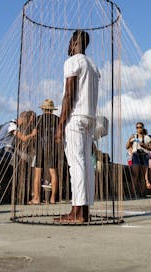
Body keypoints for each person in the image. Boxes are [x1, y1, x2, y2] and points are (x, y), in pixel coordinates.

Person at [55, 30, 100, 224]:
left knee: (76, 164)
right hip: (90, 118)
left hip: (75, 117)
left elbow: (69, 95)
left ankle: (77, 213)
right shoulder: (93, 65)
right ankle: (85, 210)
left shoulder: (73, 61)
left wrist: (60, 124)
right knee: (87, 165)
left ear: (74, 41)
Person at [18, 99, 60, 204]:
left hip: (39, 146)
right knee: (53, 173)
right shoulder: (58, 120)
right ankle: (53, 199)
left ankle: (36, 198)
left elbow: (34, 132)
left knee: (37, 173)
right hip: (52, 147)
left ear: (43, 109)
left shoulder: (38, 119)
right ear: (52, 109)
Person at [126, 122, 151, 198]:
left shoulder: (147, 137)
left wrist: (143, 145)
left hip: (144, 155)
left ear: (143, 127)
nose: (139, 129)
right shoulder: (134, 136)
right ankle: (132, 193)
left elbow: (150, 148)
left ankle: (142, 193)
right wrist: (129, 140)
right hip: (136, 155)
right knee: (135, 174)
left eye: (140, 127)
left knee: (143, 175)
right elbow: (127, 146)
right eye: (137, 127)